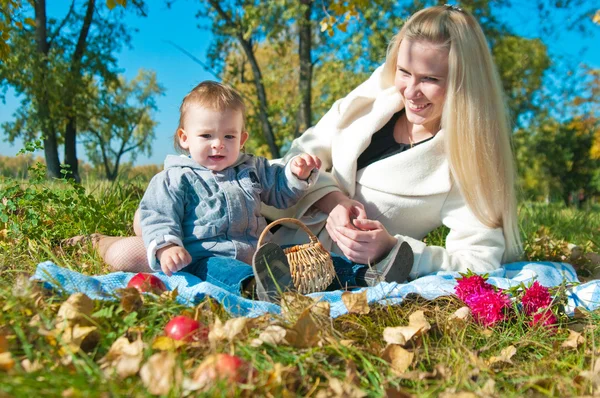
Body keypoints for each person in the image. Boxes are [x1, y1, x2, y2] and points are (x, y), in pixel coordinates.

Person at [81, 5, 522, 298]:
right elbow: (306, 148)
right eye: (404, 70)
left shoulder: (467, 159)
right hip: (263, 211)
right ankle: (116, 240)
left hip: (320, 265)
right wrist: (330, 198)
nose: (410, 89)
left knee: (170, 251)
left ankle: (159, 246)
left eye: (431, 79)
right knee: (160, 226)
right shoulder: (378, 96)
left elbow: (480, 260)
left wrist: (393, 247)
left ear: (464, 84)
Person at [135, 81, 323, 294]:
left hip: (259, 254)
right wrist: (167, 248)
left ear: (242, 139)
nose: (218, 143)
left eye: (229, 136)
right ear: (185, 138)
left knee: (308, 259)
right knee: (226, 271)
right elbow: (157, 215)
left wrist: (295, 174)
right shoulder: (175, 178)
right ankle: (256, 288)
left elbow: (280, 193)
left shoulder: (252, 168)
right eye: (206, 135)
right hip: (206, 259)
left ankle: (355, 272)